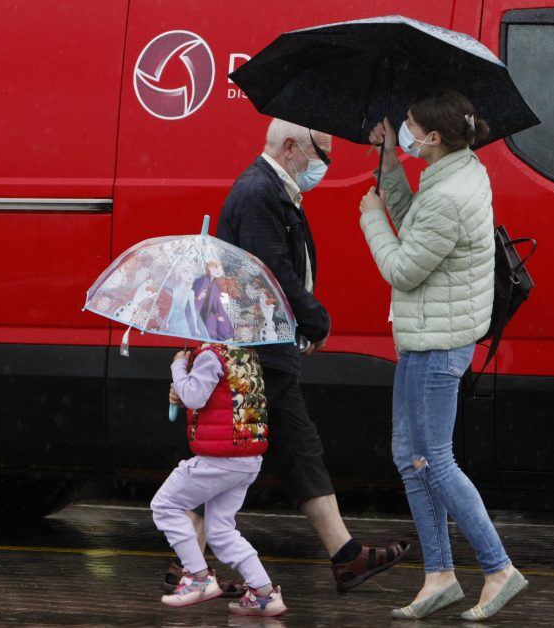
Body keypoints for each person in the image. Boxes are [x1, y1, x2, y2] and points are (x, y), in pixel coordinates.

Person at [207, 117, 410, 593]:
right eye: (323, 155)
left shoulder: (275, 193)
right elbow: (271, 271)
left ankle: (345, 555)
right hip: (254, 351)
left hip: (265, 350)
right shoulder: (260, 193)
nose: (326, 166)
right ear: (293, 147)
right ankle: (188, 567)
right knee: (239, 458)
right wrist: (315, 318)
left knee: (286, 453)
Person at [358, 89, 528, 621]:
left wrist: (369, 218)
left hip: (436, 345)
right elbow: (416, 220)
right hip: (425, 337)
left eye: (408, 126)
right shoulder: (458, 169)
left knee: (434, 459)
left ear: (432, 138)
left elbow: (404, 267)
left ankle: (499, 568)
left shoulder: (450, 194)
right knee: (410, 457)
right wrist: (389, 163)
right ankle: (439, 576)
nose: (403, 129)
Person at [152, 343, 287, 618]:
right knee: (221, 531)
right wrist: (183, 385)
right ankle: (263, 593)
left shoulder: (211, 355)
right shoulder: (245, 353)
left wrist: (178, 366)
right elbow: (217, 396)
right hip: (247, 459)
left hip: (219, 458)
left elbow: (194, 397)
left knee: (165, 506)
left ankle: (198, 577)